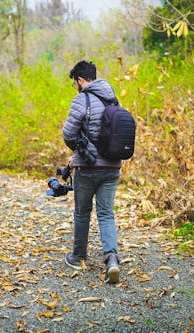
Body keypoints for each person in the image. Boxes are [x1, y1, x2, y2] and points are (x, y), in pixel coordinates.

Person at [62, 60, 122, 284]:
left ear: (80, 80)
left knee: (82, 212)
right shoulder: (112, 98)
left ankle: (78, 257)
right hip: (112, 167)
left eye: (74, 83)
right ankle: (112, 260)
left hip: (87, 168)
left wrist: (78, 148)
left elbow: (68, 134)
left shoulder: (82, 98)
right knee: (106, 213)